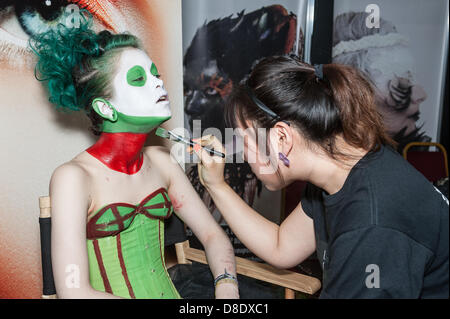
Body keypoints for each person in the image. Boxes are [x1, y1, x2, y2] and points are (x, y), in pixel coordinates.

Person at [191, 55, 449, 298]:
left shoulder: (372, 225)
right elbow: (282, 246)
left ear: (282, 139)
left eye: (244, 142)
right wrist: (217, 185)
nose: (242, 155)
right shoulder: (339, 171)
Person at [30, 14, 238, 299]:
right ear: (105, 108)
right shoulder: (73, 178)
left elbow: (214, 237)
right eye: (139, 79)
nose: (157, 83)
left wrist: (227, 288)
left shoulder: (162, 161)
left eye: (156, 74)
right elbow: (74, 292)